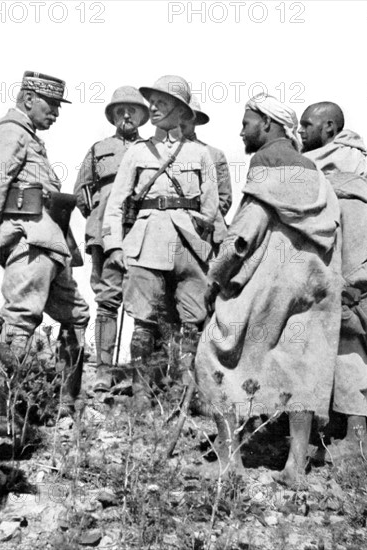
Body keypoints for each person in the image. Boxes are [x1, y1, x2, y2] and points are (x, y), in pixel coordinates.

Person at [195, 94, 341, 487]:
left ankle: (230, 463)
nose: (241, 130)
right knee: (301, 364)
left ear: (268, 124)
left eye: (247, 122)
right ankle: (296, 467)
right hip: (313, 281)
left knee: (216, 351)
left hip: (272, 278)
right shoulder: (314, 169)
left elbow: (248, 228)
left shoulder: (266, 161)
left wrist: (217, 275)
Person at [0, 71, 90, 433]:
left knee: (77, 317)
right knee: (20, 320)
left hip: (50, 244)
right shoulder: (11, 132)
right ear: (27, 99)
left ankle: (64, 407)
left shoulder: (29, 137)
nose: (55, 113)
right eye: (51, 104)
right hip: (30, 240)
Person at [102, 75, 219, 411]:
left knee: (192, 320)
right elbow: (116, 204)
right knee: (143, 319)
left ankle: (186, 395)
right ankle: (140, 395)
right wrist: (114, 246)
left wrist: (210, 243)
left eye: (162, 103)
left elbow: (211, 208)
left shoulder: (200, 154)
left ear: (180, 110)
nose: (152, 107)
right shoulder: (138, 152)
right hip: (146, 243)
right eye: (151, 101)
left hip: (189, 247)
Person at [300, 102, 367, 460]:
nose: (300, 131)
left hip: (352, 272)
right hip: (334, 270)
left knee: (350, 339)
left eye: (307, 125)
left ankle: (357, 438)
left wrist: (349, 287)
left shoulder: (344, 166)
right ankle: (338, 431)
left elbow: (357, 239)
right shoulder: (327, 163)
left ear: (330, 128)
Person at [74, 86, 149, 392]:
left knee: (145, 301)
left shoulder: (152, 150)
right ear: (113, 116)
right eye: (120, 111)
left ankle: (141, 375)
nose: (126, 115)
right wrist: (97, 214)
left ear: (142, 116)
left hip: (142, 233)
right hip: (105, 235)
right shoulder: (98, 149)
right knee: (106, 300)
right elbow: (81, 190)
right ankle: (104, 371)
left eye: (132, 110)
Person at [180, 96, 232, 252]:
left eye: (187, 116)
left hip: (206, 234)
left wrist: (201, 221)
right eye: (178, 115)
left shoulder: (214, 154)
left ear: (195, 120)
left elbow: (224, 197)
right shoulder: (160, 153)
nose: (181, 121)